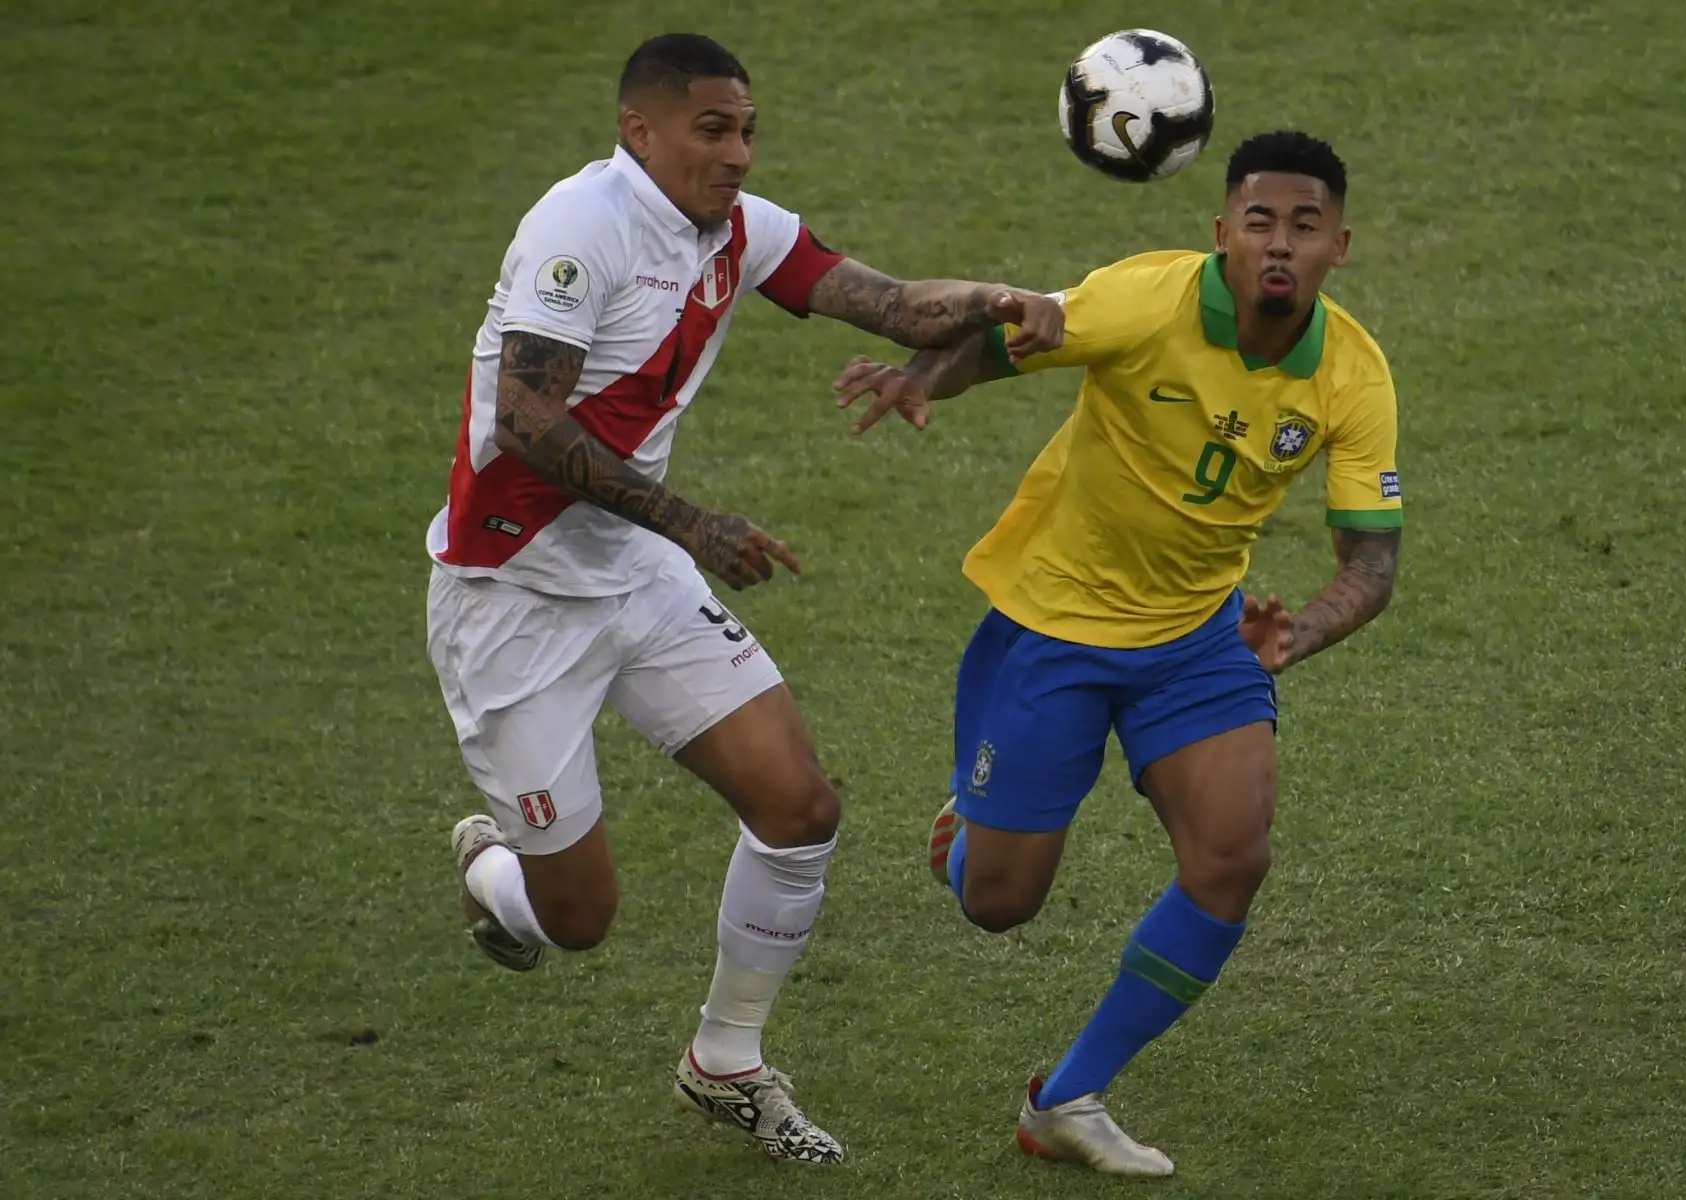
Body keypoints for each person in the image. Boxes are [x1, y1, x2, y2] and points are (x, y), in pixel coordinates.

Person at [423, 32, 1062, 1166]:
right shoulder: (581, 230)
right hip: (513, 597)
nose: (738, 152)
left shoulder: (742, 231)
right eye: (713, 129)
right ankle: (492, 866)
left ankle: (727, 1063)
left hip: (636, 572)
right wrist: (696, 526)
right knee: (579, 920)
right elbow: (524, 419)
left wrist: (1017, 299)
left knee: (800, 804)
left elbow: (901, 306)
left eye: (749, 129)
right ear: (642, 131)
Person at [831, 130, 1404, 1177]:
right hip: (1057, 624)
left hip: (1198, 638)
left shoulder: (1354, 375)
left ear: (1341, 246)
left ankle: (1069, 1096)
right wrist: (927, 376)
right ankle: (967, 835)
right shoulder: (1148, 299)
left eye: (1305, 225)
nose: (1280, 243)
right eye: (1261, 221)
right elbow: (1013, 341)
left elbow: (1372, 560)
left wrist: (1301, 630)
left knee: (1233, 857)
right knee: (998, 904)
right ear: (1221, 231)